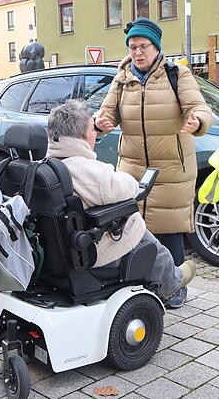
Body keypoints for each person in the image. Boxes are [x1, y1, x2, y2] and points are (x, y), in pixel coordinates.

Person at [95, 17, 214, 308]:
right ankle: (138, 281)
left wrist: (197, 121)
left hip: (170, 167)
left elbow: (198, 106)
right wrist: (99, 124)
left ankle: (174, 285)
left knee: (169, 228)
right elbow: (107, 113)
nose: (137, 52)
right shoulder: (122, 77)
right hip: (132, 166)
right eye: (132, 46)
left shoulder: (177, 74)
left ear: (156, 47)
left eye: (143, 46)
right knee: (130, 226)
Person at [47, 100, 196, 300]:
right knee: (141, 233)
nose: (95, 134)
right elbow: (130, 189)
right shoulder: (90, 172)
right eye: (93, 129)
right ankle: (172, 283)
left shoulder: (46, 166)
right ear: (81, 135)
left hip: (59, 251)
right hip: (95, 250)